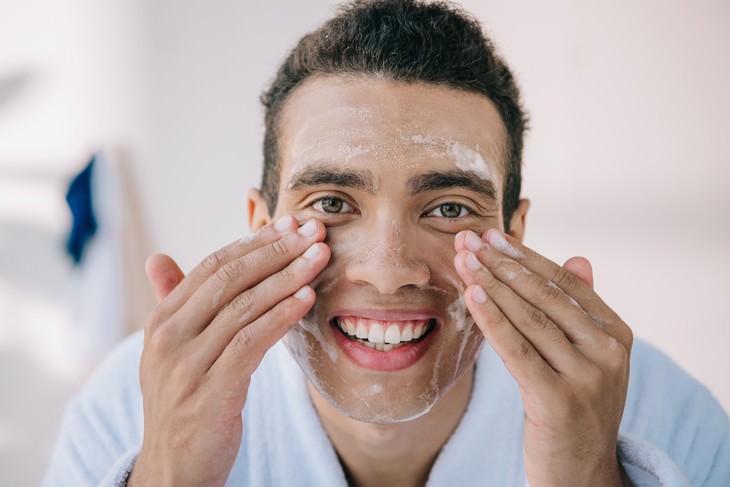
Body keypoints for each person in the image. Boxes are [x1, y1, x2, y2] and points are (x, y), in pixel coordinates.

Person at [44, 1, 729, 486]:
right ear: (260, 227)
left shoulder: (660, 412)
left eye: (449, 207)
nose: (388, 270)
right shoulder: (130, 412)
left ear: (515, 236)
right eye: (333, 203)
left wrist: (589, 478)